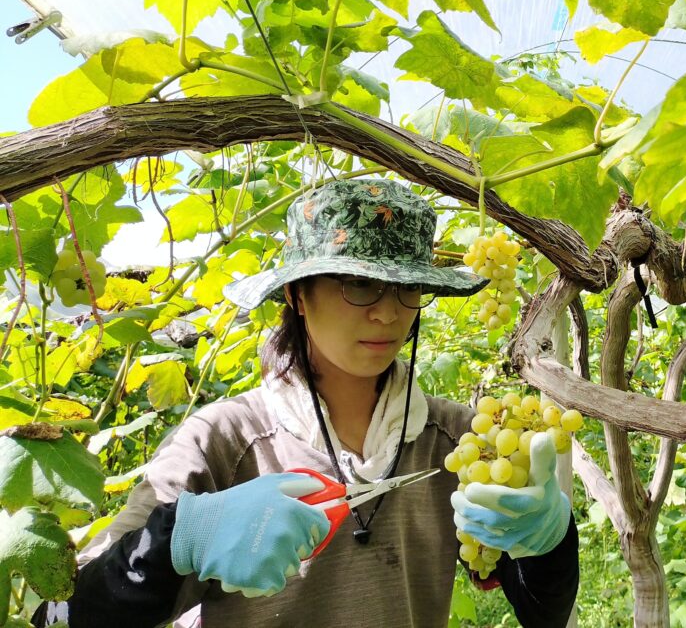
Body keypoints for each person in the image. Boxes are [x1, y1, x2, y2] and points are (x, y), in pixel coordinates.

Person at [34, 178, 579, 628]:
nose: (388, 314)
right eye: (356, 284)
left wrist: (550, 542)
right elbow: (67, 614)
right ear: (297, 295)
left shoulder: (462, 442)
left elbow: (542, 613)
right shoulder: (223, 441)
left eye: (407, 287)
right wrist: (182, 535)